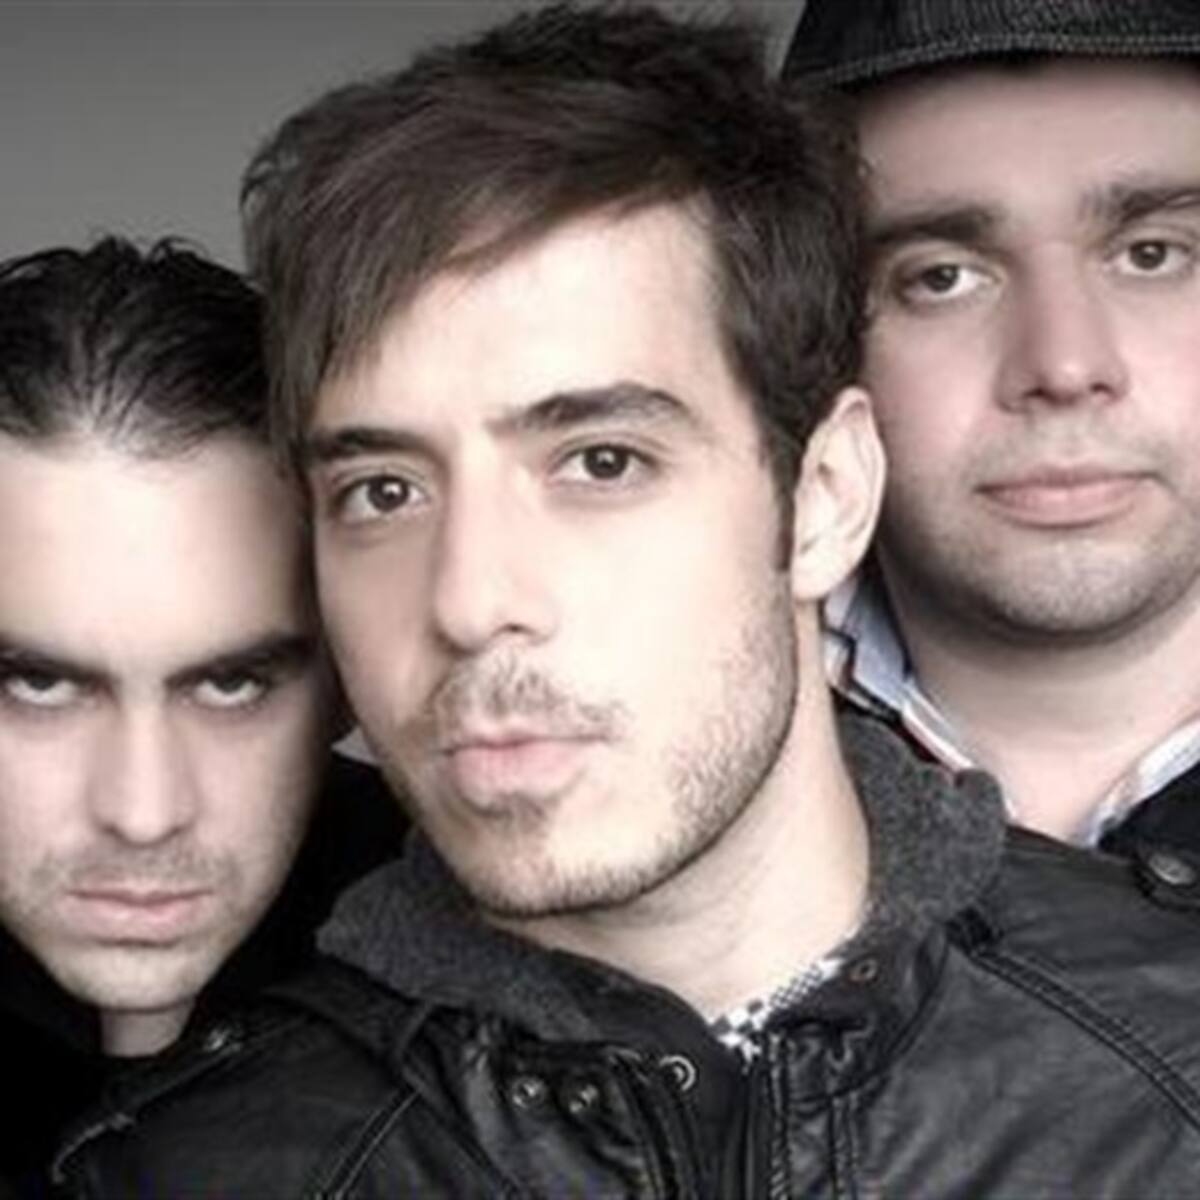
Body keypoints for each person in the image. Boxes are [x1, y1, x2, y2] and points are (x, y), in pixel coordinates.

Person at [55, 7, 1200, 1197]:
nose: (471, 601)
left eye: (601, 462)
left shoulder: (1173, 1074)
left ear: (824, 497)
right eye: (384, 490)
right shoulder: (175, 1176)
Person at [0, 237, 406, 1197]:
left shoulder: (514, 1014)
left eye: (231, 686)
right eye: (39, 685)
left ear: (348, 676)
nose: (143, 814)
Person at [784, 0, 1200, 859]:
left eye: (1152, 254)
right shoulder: (633, 745)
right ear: (812, 341)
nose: (1065, 366)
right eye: (941, 277)